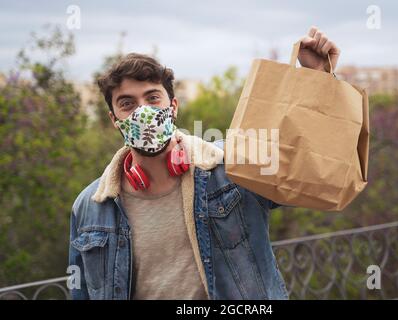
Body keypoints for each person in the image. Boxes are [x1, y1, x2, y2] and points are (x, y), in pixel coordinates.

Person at [68, 26, 340, 300]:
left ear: (173, 107)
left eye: (152, 98)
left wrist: (318, 79)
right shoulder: (90, 207)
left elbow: (306, 172)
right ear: (114, 119)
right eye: (127, 104)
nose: (143, 112)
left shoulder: (232, 167)